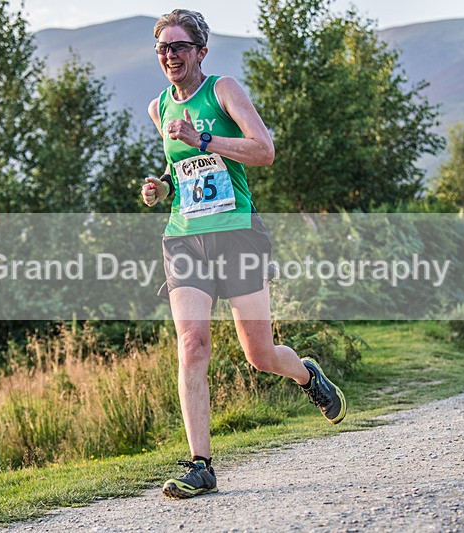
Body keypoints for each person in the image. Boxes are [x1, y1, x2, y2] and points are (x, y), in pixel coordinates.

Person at [141, 9, 346, 500]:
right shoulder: (159, 107)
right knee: (192, 344)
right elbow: (184, 166)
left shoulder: (224, 89)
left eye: (179, 47)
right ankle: (201, 465)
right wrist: (161, 185)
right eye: (163, 49)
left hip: (237, 233)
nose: (170, 55)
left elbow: (264, 150)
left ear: (200, 52)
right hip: (184, 235)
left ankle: (305, 374)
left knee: (259, 354)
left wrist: (203, 137)